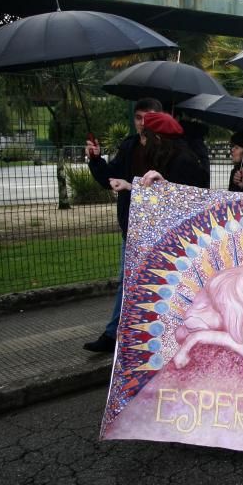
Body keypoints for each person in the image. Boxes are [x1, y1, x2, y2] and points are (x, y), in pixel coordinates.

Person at [82, 97, 160, 353]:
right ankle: (113, 334)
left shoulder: (170, 149)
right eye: (138, 118)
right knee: (127, 281)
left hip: (161, 228)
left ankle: (150, 337)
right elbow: (110, 178)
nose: (142, 123)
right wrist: (96, 160)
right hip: (132, 226)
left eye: (148, 117)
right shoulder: (129, 147)